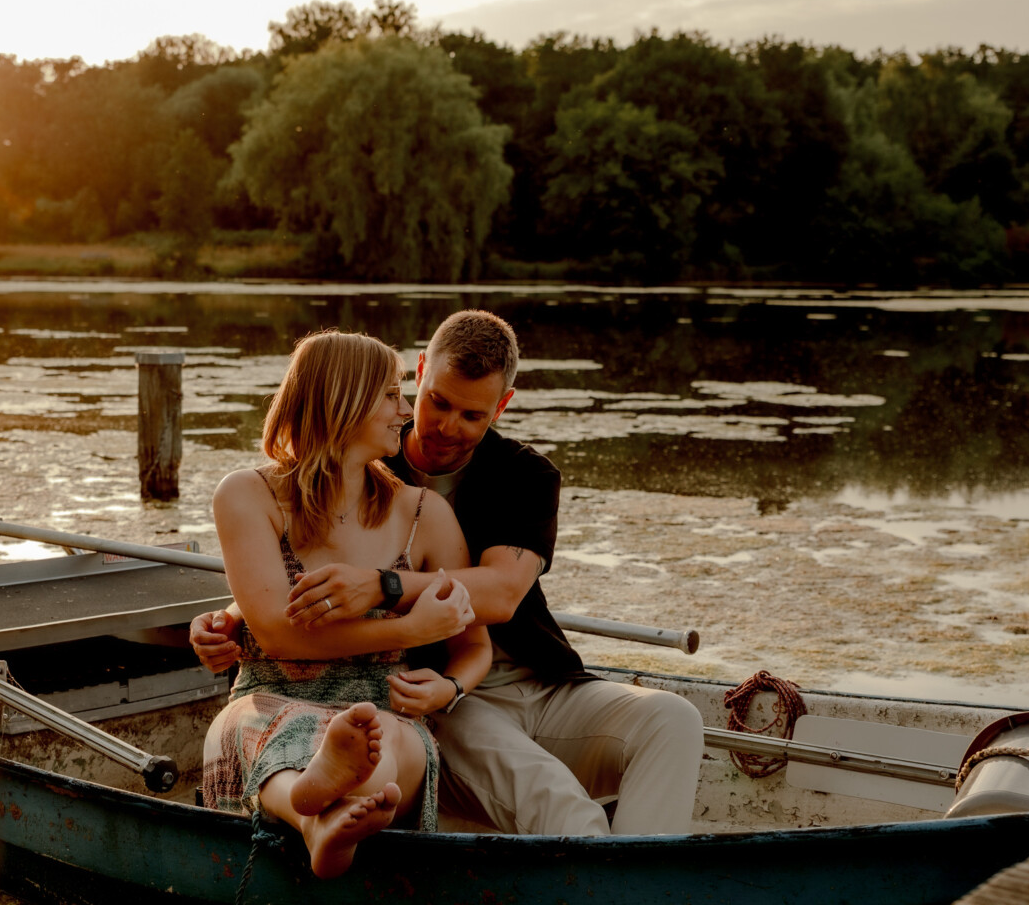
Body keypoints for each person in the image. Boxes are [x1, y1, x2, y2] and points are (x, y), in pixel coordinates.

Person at [194, 310, 703, 837]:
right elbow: (301, 563)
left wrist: (384, 585)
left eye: (472, 415)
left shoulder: (523, 475)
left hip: (535, 681)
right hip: (437, 697)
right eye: (437, 401)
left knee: (675, 719)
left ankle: (640, 873)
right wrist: (232, 615)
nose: (446, 426)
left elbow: (500, 596)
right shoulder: (368, 461)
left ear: (501, 406)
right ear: (420, 373)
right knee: (555, 800)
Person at [200, 330, 491, 878]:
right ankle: (315, 815)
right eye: (391, 395)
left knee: (385, 739)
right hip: (270, 695)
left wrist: (450, 687)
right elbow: (278, 635)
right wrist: (408, 631)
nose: (405, 411)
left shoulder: (424, 514)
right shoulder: (248, 494)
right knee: (261, 725)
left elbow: (475, 645)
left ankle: (320, 814)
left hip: (381, 710)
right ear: (343, 398)